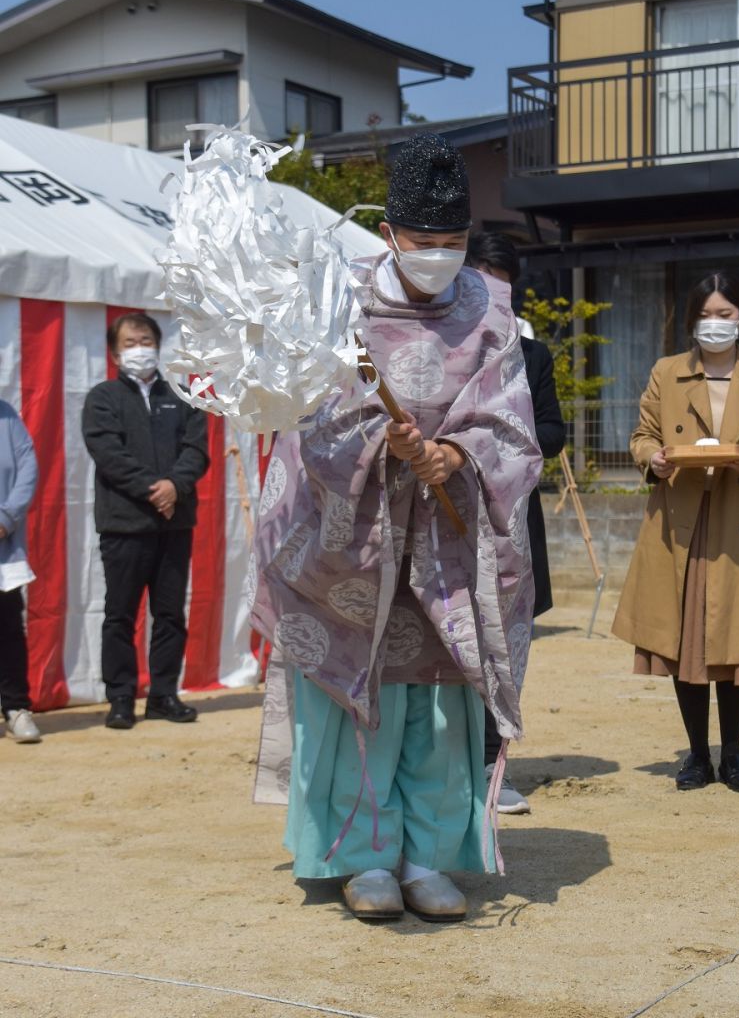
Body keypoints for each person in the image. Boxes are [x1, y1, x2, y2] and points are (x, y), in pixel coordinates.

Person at [252, 134, 541, 922]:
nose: (441, 258)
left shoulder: (491, 309)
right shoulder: (333, 301)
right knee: (362, 700)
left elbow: (513, 424)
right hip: (352, 540)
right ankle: (362, 855)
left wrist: (455, 451)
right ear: (389, 235)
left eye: (453, 244)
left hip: (447, 541)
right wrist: (380, 443)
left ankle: (429, 854)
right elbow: (304, 411)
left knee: (440, 706)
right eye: (425, 244)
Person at [613, 272, 739, 792]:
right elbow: (643, 435)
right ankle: (697, 754)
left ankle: (734, 756)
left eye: (725, 314)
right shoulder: (667, 371)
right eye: (705, 315)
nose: (714, 324)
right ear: (690, 319)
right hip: (681, 519)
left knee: (737, 646)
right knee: (685, 644)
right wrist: (653, 459)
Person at [468, 232, 565, 814]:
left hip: (513, 523)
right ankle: (444, 765)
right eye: (482, 280)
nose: (494, 293)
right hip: (448, 519)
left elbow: (554, 431)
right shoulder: (438, 348)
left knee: (504, 650)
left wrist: (511, 434)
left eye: (504, 283)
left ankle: (491, 764)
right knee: (452, 647)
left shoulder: (534, 356)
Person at [82, 312, 209, 730]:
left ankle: (163, 694)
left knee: (170, 613)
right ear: (116, 351)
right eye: (130, 342)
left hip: (174, 525)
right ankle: (120, 698)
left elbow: (196, 449)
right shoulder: (102, 397)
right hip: (124, 524)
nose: (140, 349)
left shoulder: (183, 394)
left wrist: (175, 485)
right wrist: (155, 490)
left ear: (158, 345)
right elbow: (108, 453)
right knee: (120, 613)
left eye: (146, 340)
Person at [0, 400, 40, 743]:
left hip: (2, 544)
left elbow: (27, 466)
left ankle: (15, 708)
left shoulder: (7, 416)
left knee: (9, 629)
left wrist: (6, 518)